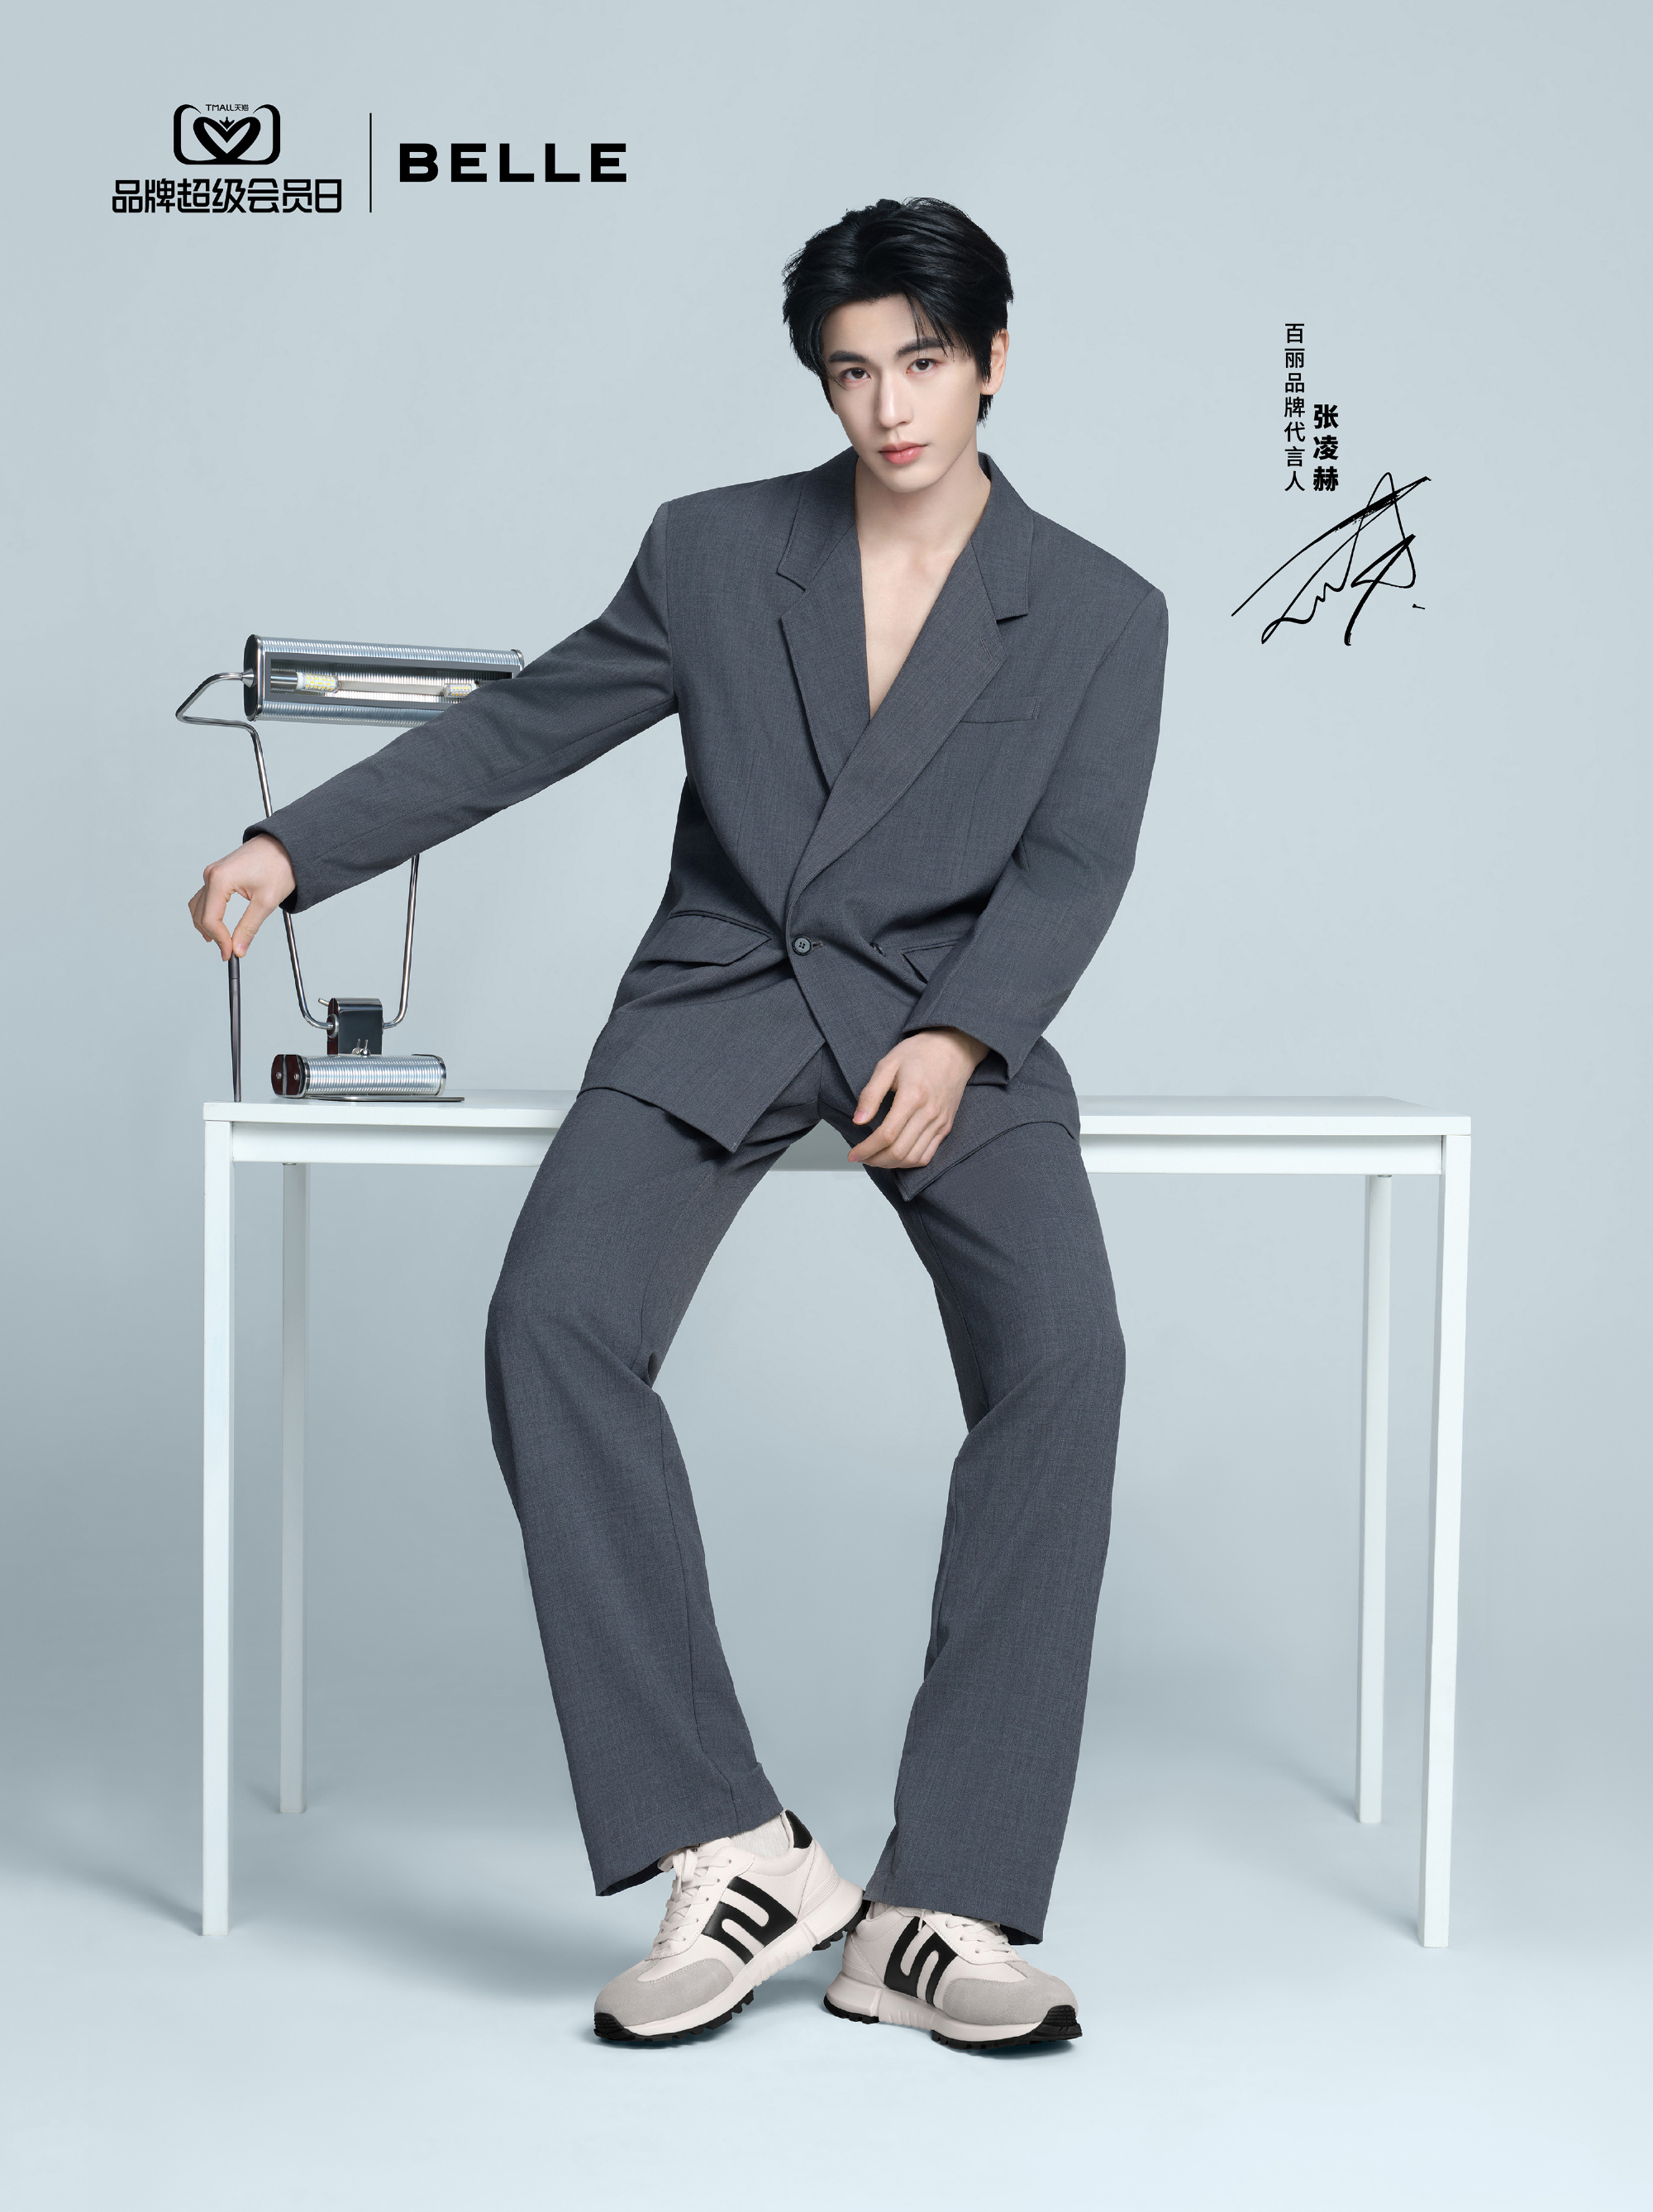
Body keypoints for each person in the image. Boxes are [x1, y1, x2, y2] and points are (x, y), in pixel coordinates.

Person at [189, 197, 1169, 2052]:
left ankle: (943, 1903)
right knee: (549, 1323)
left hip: (951, 1023)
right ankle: (731, 1848)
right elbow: (528, 728)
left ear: (993, 360)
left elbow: (1072, 866)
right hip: (720, 998)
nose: (888, 408)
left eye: (923, 364)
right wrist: (292, 847)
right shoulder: (717, 552)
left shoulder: (1104, 611)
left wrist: (965, 1031)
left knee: (1067, 1360)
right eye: (851, 372)